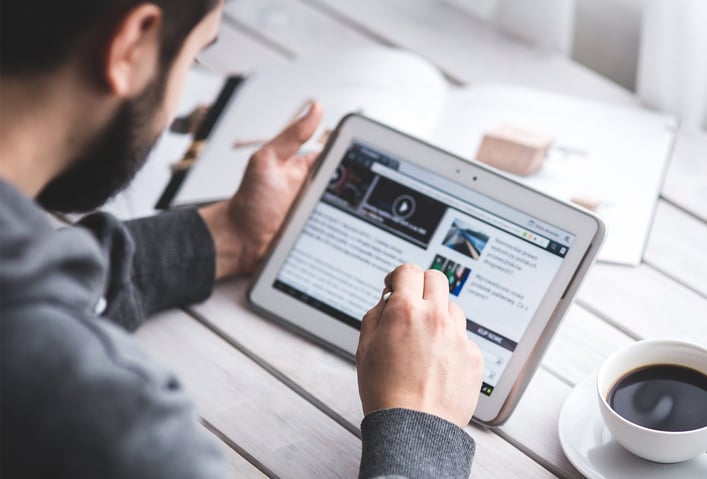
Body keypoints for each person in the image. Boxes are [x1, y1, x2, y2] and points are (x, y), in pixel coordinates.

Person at [0, 1, 485, 477]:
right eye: (193, 58)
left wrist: (227, 235)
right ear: (132, 44)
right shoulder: (119, 431)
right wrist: (421, 430)